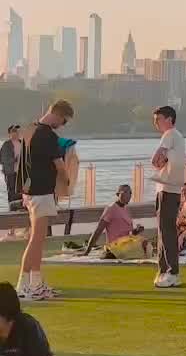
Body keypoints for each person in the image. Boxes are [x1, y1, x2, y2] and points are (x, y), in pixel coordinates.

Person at [16, 97, 74, 304]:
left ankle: (31, 283)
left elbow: (22, 164)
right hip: (41, 192)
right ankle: (29, 284)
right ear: (58, 115)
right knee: (37, 240)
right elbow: (59, 166)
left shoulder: (29, 130)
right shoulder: (48, 136)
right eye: (64, 121)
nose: (63, 126)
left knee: (36, 239)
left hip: (30, 191)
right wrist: (67, 182)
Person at [150, 105, 186, 289]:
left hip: (168, 189)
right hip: (169, 188)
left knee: (167, 231)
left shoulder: (170, 134)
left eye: (158, 119)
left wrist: (158, 161)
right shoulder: (176, 136)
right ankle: (164, 269)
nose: (156, 123)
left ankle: (172, 271)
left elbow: (155, 158)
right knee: (164, 231)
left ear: (169, 118)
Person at [83, 184, 152, 258]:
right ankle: (110, 253)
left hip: (126, 243)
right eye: (125, 192)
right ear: (117, 194)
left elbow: (128, 233)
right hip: (115, 246)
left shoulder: (126, 209)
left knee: (146, 246)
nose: (128, 195)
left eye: (130, 193)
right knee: (144, 247)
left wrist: (137, 230)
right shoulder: (111, 209)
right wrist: (87, 251)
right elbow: (98, 230)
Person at [1, 124, 20, 210]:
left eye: (16, 131)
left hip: (21, 172)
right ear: (9, 134)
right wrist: (15, 159)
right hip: (10, 172)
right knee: (11, 191)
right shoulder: (6, 144)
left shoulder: (21, 143)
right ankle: (12, 210)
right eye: (13, 131)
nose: (15, 133)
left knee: (20, 191)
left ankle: (19, 209)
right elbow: (4, 159)